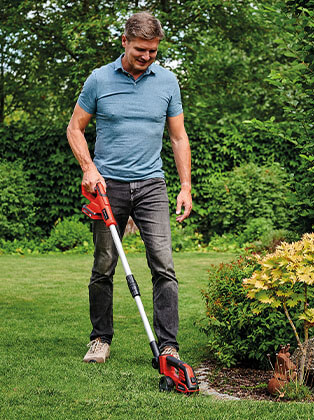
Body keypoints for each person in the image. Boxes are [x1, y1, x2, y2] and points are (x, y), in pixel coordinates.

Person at [66, 11, 192, 364]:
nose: (147, 57)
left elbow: (179, 137)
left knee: (164, 266)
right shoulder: (99, 80)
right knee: (103, 265)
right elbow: (74, 128)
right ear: (124, 42)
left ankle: (168, 346)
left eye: (153, 51)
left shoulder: (167, 82)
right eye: (140, 50)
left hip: (152, 185)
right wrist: (89, 169)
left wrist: (185, 186)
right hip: (108, 187)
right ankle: (100, 339)